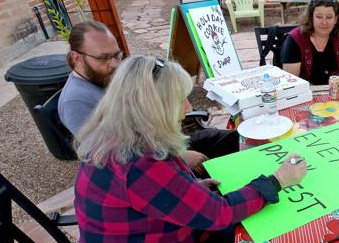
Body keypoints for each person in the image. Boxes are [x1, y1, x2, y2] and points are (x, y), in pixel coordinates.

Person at [74, 55, 308, 243]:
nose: (186, 108)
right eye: (179, 100)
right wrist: (277, 181)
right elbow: (219, 214)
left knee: (246, 237)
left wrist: (192, 191)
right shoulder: (139, 164)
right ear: (151, 107)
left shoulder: (118, 138)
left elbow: (153, 200)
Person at [60, 20, 237, 176]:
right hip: (147, 160)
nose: (114, 63)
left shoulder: (104, 77)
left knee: (224, 138)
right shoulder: (75, 102)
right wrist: (179, 157)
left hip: (159, 143)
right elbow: (111, 156)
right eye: (103, 57)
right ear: (77, 58)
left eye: (116, 55)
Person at [281, 0, 339, 84]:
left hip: (334, 90)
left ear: (335, 19)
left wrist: (337, 85)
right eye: (319, 17)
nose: (324, 22)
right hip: (305, 92)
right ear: (311, 17)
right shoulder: (294, 40)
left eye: (329, 17)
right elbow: (291, 82)